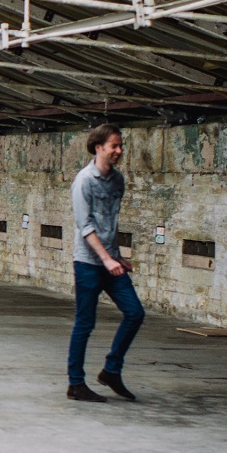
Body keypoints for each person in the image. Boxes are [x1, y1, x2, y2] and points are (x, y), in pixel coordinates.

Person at [67, 124, 145, 403]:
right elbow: (85, 226)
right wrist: (105, 258)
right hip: (88, 262)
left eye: (121, 145)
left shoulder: (118, 180)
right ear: (98, 147)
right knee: (84, 323)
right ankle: (76, 384)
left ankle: (111, 370)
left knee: (135, 312)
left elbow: (111, 223)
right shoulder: (84, 180)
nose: (119, 151)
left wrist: (118, 256)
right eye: (114, 145)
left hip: (111, 260)